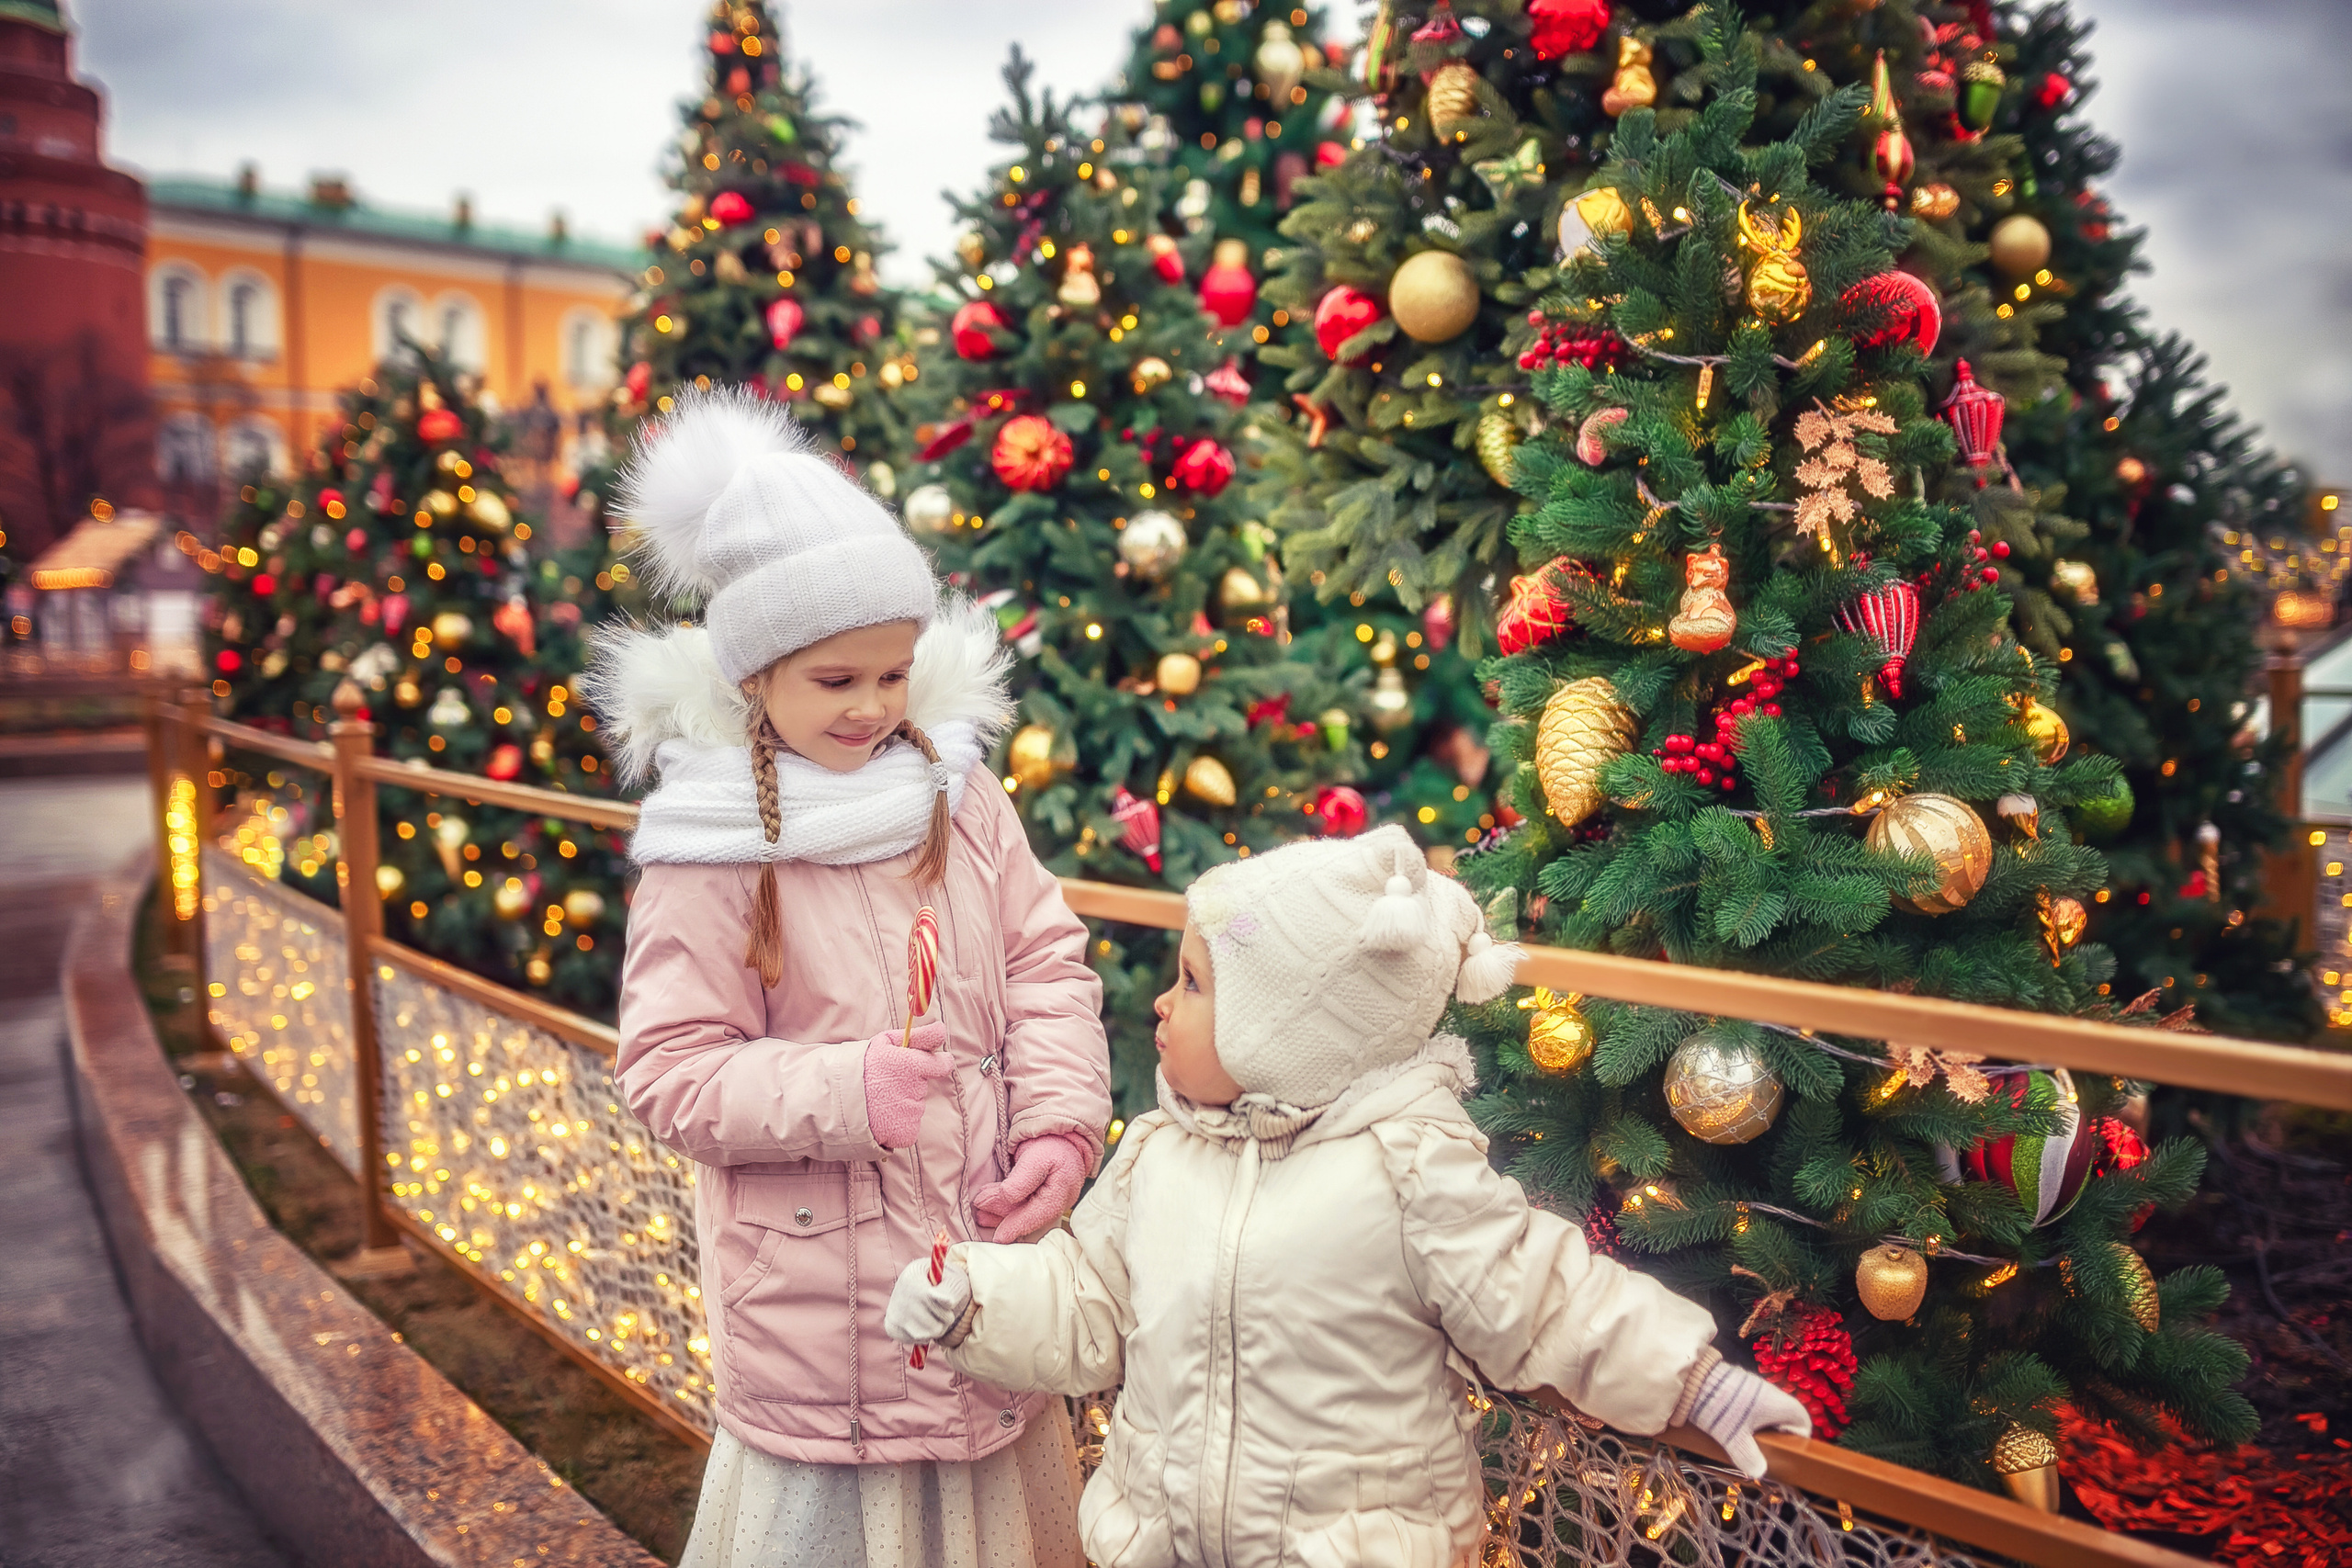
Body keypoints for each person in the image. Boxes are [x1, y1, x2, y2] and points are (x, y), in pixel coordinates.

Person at [883, 824, 1809, 1568]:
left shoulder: (1407, 1172)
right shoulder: (1158, 1157)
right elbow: (1084, 1303)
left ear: (1287, 1035)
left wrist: (1698, 1383)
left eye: (1195, 985)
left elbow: (1544, 1300)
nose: (1162, 1006)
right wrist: (971, 1298)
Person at [589, 388, 1111, 1568]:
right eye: (836, 681)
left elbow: (1043, 959)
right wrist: (844, 1088)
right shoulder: (708, 846)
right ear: (754, 675)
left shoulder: (957, 792)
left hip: (980, 1268)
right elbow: (669, 1072)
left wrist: (1063, 1125)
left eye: (895, 672)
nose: (876, 708)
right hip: (829, 1324)